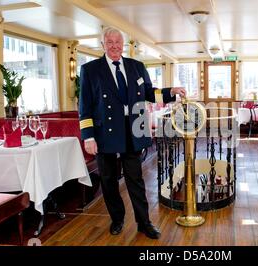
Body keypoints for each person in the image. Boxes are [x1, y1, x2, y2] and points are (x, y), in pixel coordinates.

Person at [79, 27, 186, 239]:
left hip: (132, 129)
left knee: (135, 180)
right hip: (104, 133)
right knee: (109, 181)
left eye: (117, 42)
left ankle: (143, 223)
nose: (114, 46)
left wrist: (170, 92)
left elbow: (149, 93)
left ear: (123, 44)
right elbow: (85, 105)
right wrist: (88, 137)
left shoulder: (136, 66)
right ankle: (117, 219)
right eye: (109, 42)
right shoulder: (90, 70)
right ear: (103, 45)